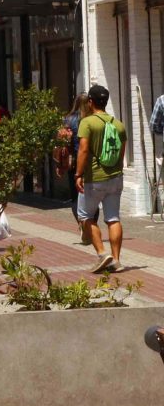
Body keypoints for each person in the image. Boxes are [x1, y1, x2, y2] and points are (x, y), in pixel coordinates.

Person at [75, 84, 127, 273]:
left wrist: (78, 174)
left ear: (90, 102)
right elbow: (121, 153)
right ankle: (117, 261)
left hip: (94, 178)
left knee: (85, 216)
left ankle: (102, 254)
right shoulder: (118, 124)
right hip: (115, 177)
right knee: (113, 218)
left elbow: (83, 150)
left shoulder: (87, 123)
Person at [55, 93, 98, 242]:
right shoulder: (93, 119)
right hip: (92, 163)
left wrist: (60, 164)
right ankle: (92, 226)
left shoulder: (68, 119)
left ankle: (83, 226)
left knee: (75, 197)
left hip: (74, 162)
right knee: (93, 197)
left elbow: (61, 145)